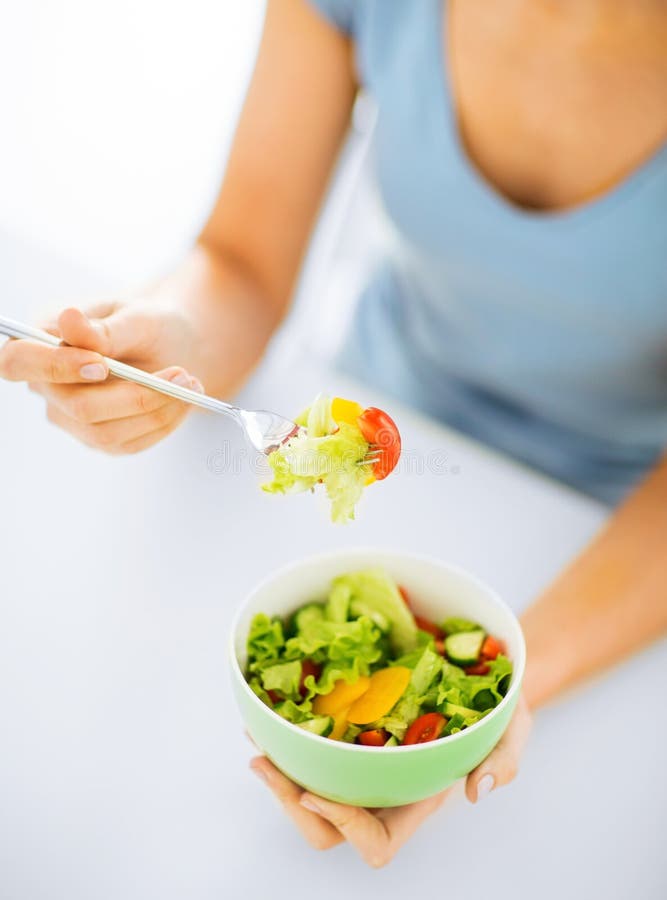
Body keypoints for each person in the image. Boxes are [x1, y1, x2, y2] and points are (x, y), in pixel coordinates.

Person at [1, 0, 666, 867]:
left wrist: (502, 694)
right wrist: (173, 343)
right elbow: (242, 264)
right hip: (379, 406)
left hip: (611, 523)